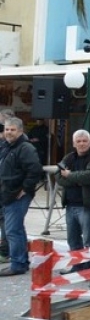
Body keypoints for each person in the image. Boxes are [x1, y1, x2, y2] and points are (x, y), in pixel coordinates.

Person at [0, 117, 42, 276]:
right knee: (17, 228)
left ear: (20, 131)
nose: (9, 132)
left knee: (12, 230)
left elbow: (35, 170)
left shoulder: (25, 148)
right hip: (7, 193)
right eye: (7, 129)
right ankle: (22, 261)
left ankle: (17, 264)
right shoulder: (6, 146)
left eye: (12, 130)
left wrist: (25, 188)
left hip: (17, 194)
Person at [56, 129, 90, 272]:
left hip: (87, 206)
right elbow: (58, 177)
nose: (81, 144)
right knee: (73, 239)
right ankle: (77, 264)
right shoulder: (69, 157)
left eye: (84, 141)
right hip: (70, 205)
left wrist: (70, 175)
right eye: (78, 141)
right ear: (73, 143)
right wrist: (77, 179)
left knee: (89, 239)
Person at [0, 108, 17, 264]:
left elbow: (31, 170)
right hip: (4, 187)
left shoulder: (19, 146)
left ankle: (7, 252)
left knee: (9, 223)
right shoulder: (5, 145)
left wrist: (24, 188)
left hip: (10, 190)